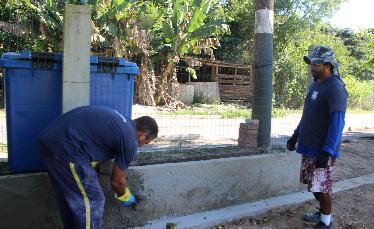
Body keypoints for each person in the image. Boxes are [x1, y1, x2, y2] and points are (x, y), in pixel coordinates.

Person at [38, 105, 158, 229]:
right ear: (143, 135)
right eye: (145, 142)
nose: (142, 146)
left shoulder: (120, 122)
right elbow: (117, 181)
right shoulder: (130, 141)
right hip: (68, 150)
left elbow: (94, 140)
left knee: (69, 197)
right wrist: (127, 197)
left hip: (49, 141)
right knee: (93, 201)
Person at [287, 45, 348, 229]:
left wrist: (327, 151)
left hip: (322, 149)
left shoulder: (336, 88)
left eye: (316, 64)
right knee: (313, 186)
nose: (311, 67)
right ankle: (322, 213)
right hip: (308, 145)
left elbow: (337, 123)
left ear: (328, 65)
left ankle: (326, 222)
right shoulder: (315, 85)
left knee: (321, 187)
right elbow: (307, 115)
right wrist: (295, 136)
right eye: (311, 63)